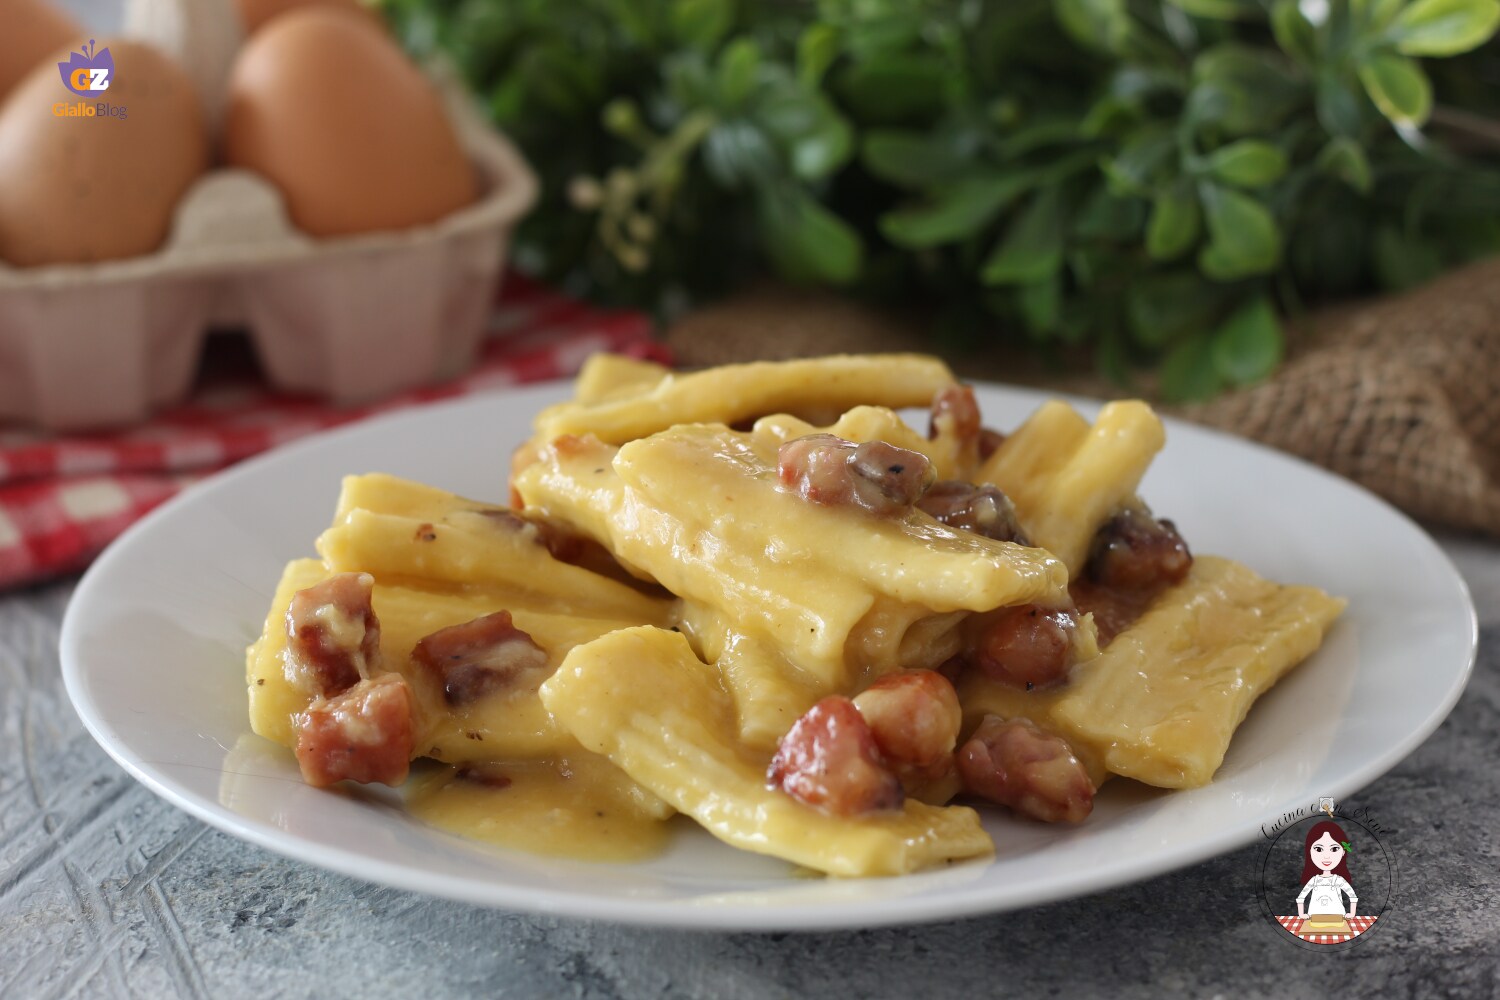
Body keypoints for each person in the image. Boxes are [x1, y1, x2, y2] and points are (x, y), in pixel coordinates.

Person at [1296, 820, 1358, 936]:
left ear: (1343, 852)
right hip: (1315, 918)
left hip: (1337, 918)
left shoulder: (1338, 880)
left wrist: (1351, 913)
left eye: (1334, 849)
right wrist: (1302, 914)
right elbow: (1301, 897)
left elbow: (1352, 896)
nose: (1326, 856)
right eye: (1319, 849)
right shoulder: (1314, 880)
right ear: (1309, 852)